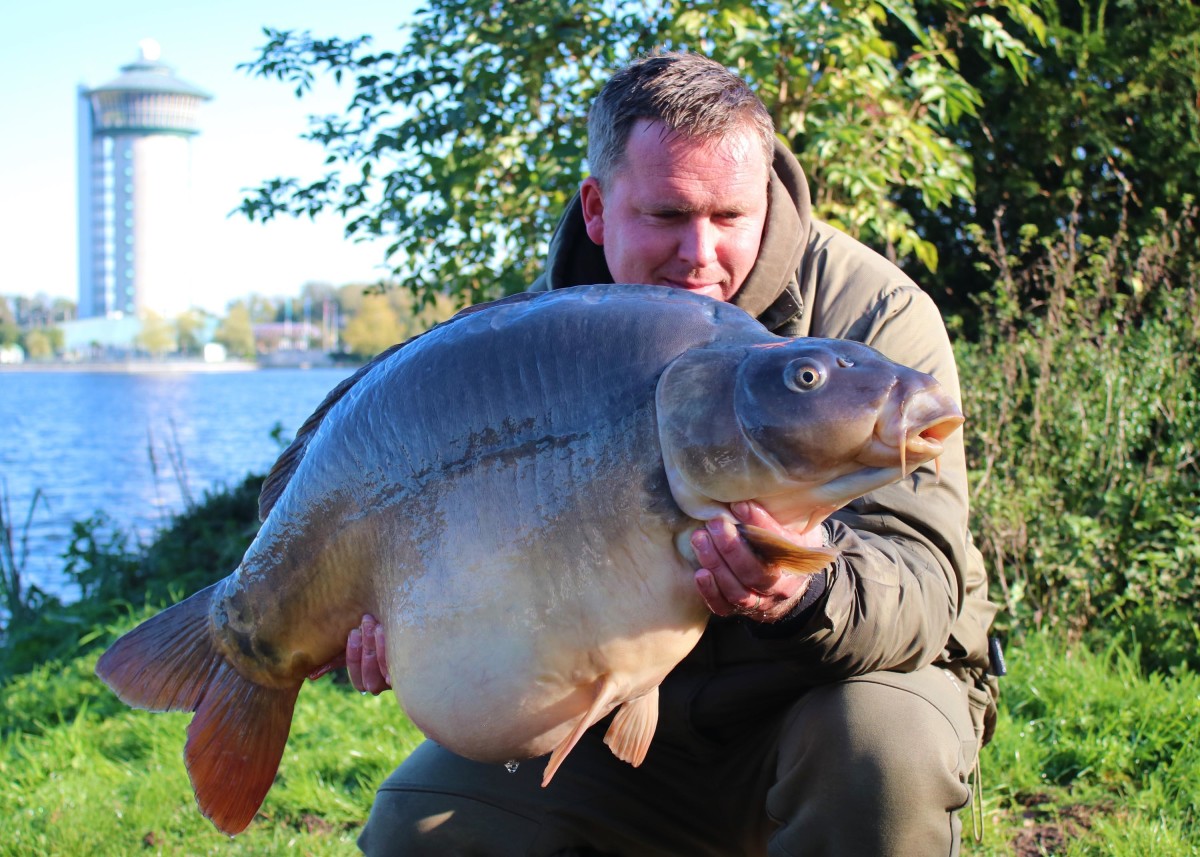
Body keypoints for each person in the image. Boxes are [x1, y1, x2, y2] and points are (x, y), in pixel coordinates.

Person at [331, 50, 999, 856]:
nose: (700, 254)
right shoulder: (538, 347)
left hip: (823, 700)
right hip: (622, 719)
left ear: (766, 200)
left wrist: (802, 587)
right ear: (598, 210)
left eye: (728, 217)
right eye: (668, 215)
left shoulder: (872, 316)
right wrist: (409, 627)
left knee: (881, 746)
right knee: (419, 826)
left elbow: (925, 581)